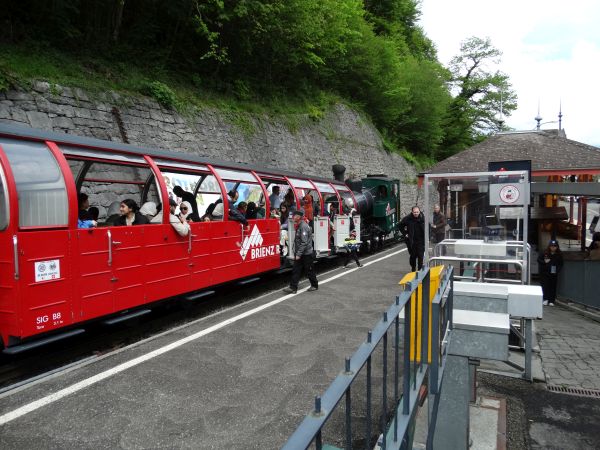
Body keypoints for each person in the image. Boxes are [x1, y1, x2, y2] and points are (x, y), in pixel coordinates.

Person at [283, 210, 318, 294]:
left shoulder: (303, 227)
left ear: (298, 217)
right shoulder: (299, 225)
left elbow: (304, 242)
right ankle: (293, 287)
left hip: (306, 254)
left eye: (294, 216)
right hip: (300, 253)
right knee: (296, 270)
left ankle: (314, 285)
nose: (293, 217)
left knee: (309, 270)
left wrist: (298, 254)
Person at [537, 240, 563, 306]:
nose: (553, 248)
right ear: (549, 246)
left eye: (555, 246)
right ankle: (545, 299)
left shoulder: (559, 255)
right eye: (552, 246)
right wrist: (544, 262)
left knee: (553, 286)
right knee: (545, 286)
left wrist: (557, 270)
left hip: (554, 273)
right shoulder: (545, 253)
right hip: (545, 273)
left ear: (557, 247)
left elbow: (561, 264)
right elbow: (539, 259)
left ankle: (552, 300)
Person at [400, 206, 425, 272]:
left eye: (417, 212)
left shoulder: (423, 218)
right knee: (413, 256)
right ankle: (413, 268)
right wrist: (405, 233)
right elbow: (400, 225)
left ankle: (420, 270)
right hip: (412, 241)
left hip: (421, 241)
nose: (416, 213)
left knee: (420, 256)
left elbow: (428, 227)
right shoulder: (408, 218)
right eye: (414, 212)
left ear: (419, 212)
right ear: (412, 212)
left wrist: (428, 237)